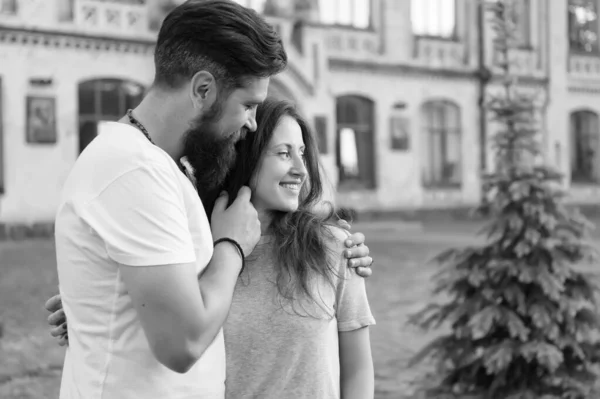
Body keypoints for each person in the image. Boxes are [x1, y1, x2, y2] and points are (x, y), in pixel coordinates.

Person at [47, 1, 374, 398]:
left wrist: (114, 302)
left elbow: (160, 281)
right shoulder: (136, 169)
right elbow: (183, 342)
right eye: (248, 105)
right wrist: (232, 246)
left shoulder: (168, 168)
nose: (252, 122)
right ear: (203, 90)